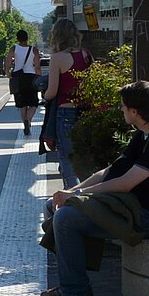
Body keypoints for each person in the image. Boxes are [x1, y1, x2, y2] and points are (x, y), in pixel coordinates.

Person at [41, 81, 149, 296]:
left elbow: (125, 184)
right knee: (55, 206)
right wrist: (72, 192)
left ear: (136, 111)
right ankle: (72, 284)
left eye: (124, 107)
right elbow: (109, 172)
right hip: (134, 208)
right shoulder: (144, 134)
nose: (121, 110)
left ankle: (77, 294)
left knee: (66, 218)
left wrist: (77, 196)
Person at [44, 18, 93, 188]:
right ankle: (86, 196)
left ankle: (71, 199)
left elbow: (52, 91)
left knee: (67, 158)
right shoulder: (86, 54)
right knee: (84, 158)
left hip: (65, 113)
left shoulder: (57, 58)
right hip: (85, 112)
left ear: (56, 36)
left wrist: (44, 95)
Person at [5, 29, 40, 135]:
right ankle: (28, 120)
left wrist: (8, 72)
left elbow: (8, 61)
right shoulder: (33, 49)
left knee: (22, 104)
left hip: (18, 77)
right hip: (30, 77)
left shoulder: (14, 48)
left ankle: (24, 121)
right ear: (27, 38)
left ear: (17, 39)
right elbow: (37, 65)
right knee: (33, 102)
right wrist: (39, 76)